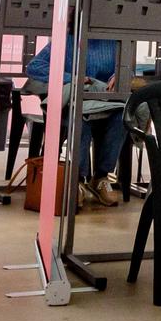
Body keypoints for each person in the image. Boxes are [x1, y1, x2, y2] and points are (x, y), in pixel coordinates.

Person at [22, 33, 123, 208]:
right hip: (75, 102)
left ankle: (101, 177)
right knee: (80, 121)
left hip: (104, 101)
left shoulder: (114, 40)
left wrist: (118, 74)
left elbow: (127, 68)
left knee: (122, 118)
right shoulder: (67, 39)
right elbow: (34, 67)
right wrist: (71, 78)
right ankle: (78, 179)